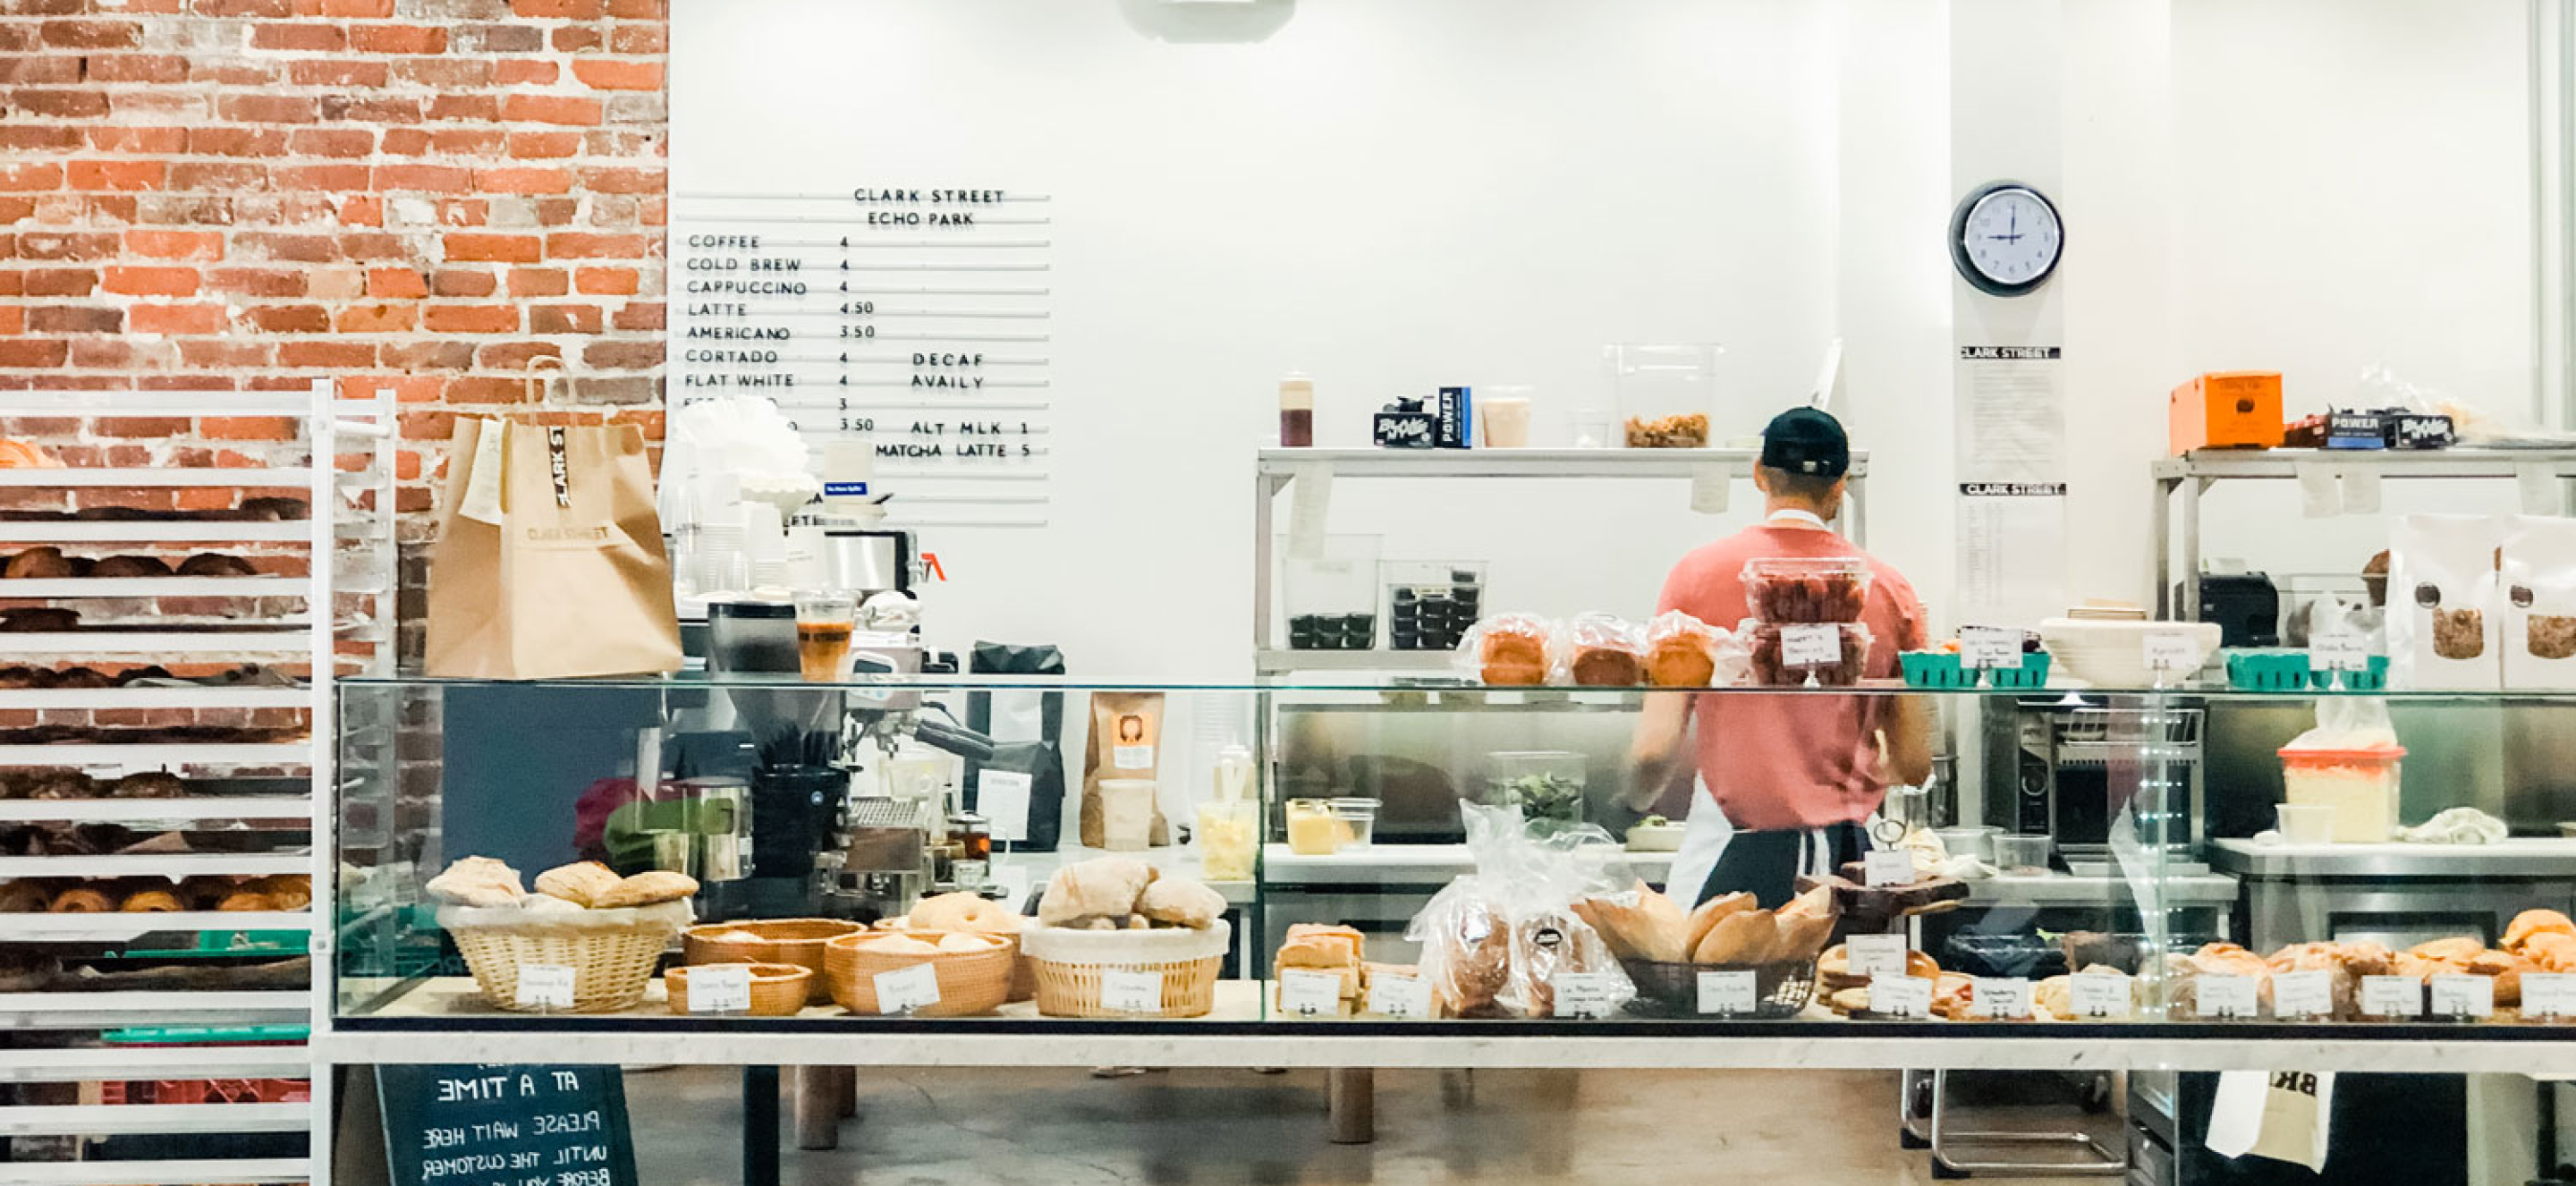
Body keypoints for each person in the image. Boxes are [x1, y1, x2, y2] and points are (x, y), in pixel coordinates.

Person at [1627, 407, 1933, 908]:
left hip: (1730, 853)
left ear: (1759, 475)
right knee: (1846, 986)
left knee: (1720, 984)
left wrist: (1631, 801)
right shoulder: (1889, 589)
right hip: (1851, 864)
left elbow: (1653, 750)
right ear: (1840, 486)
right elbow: (1915, 762)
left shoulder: (1696, 575)